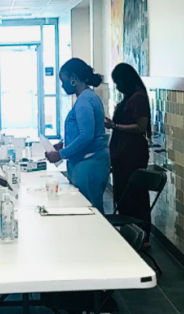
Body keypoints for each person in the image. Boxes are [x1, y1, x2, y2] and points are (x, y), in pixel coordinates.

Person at [45, 58, 110, 212]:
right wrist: (64, 143)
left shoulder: (84, 101)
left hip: (88, 163)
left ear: (74, 79)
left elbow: (86, 135)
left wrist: (61, 154)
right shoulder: (89, 96)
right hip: (90, 161)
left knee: (89, 209)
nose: (62, 85)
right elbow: (83, 129)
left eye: (64, 80)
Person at [106, 63, 152, 235]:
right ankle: (129, 232)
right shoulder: (130, 97)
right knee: (123, 194)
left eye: (118, 82)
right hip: (123, 154)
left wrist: (115, 125)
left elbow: (141, 127)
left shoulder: (138, 98)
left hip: (132, 154)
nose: (117, 87)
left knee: (133, 195)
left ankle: (140, 233)